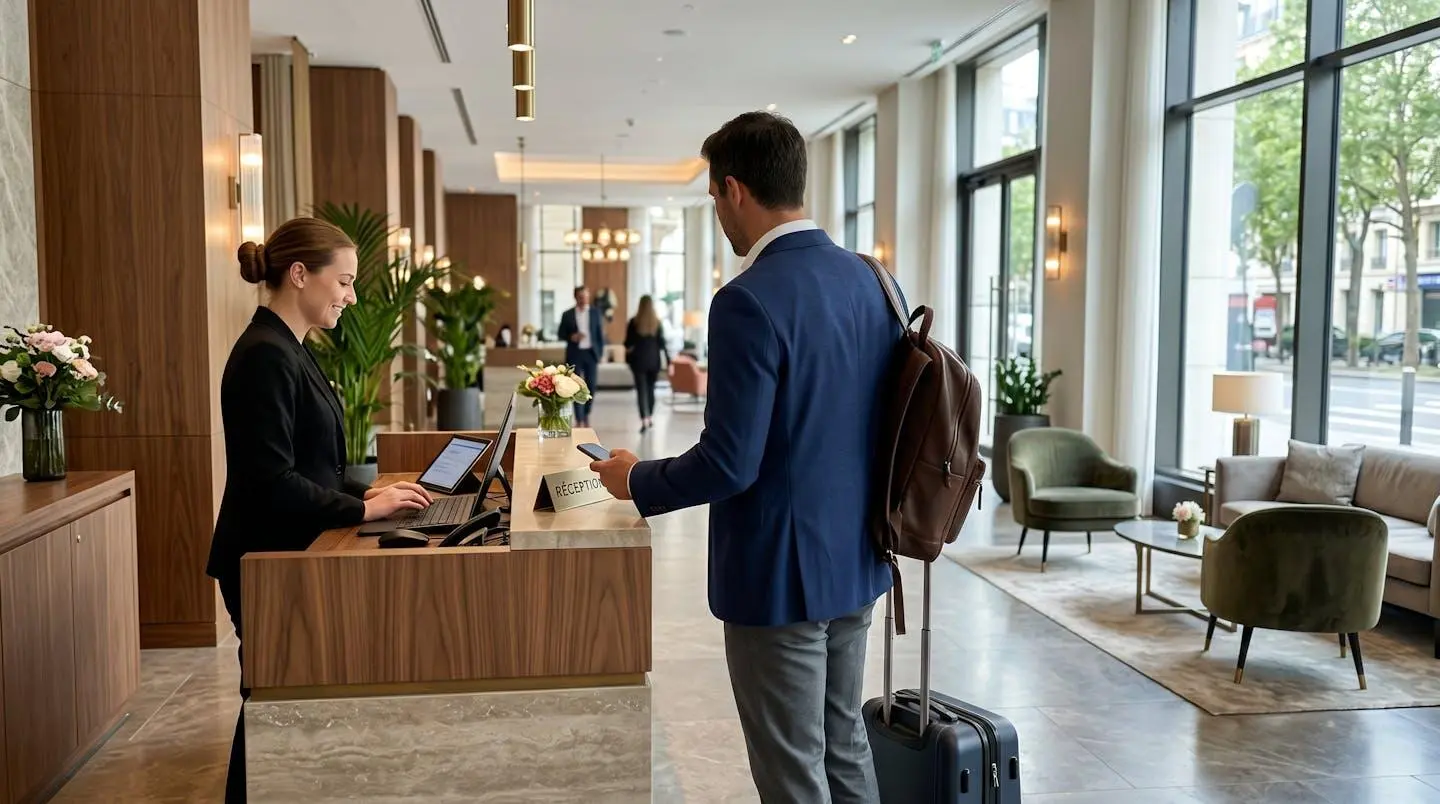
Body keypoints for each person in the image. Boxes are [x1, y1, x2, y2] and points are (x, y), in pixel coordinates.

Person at [589, 111, 897, 803]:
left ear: (734, 190)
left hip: (779, 575)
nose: (717, 211)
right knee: (843, 742)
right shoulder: (876, 283)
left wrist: (634, 479)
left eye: (711, 196)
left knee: (792, 770)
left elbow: (731, 462)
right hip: (858, 558)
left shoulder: (748, 300)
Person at [207, 217, 434, 803]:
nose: (352, 298)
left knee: (281, 691)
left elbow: (309, 465)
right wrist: (361, 507)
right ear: (301, 275)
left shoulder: (289, 347)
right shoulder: (265, 354)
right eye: (346, 282)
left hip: (292, 545)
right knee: (269, 696)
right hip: (265, 552)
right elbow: (269, 481)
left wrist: (365, 495)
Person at [557, 286, 605, 427]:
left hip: (591, 354)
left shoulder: (596, 313)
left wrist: (600, 354)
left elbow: (599, 336)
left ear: (588, 297)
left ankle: (586, 413)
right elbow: (560, 334)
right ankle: (579, 419)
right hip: (575, 354)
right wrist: (572, 336)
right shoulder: (567, 314)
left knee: (591, 385)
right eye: (580, 297)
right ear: (575, 297)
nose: (583, 299)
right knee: (576, 386)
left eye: (585, 296)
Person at [624, 295, 670, 432]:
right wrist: (669, 361)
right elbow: (662, 344)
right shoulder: (657, 323)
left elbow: (627, 343)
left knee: (641, 391)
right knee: (651, 390)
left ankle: (644, 418)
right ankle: (650, 416)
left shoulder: (634, 322)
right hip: (653, 360)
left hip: (638, 360)